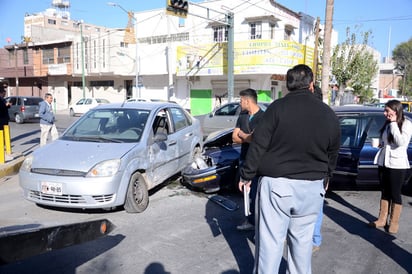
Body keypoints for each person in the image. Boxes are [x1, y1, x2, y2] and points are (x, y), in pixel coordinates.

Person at [239, 64, 341, 273]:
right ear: (312, 85)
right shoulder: (328, 113)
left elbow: (259, 143)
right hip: (312, 187)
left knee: (270, 245)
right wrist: (327, 175)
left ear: (288, 85)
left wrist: (246, 175)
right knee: (302, 246)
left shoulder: (277, 108)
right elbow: (333, 150)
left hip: (277, 186)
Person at [370, 99, 412, 234]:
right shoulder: (388, 124)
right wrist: (381, 145)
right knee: (384, 191)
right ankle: (382, 219)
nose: (384, 113)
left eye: (387, 110)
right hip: (384, 162)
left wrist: (393, 123)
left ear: (395, 111)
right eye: (385, 110)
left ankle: (394, 222)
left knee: (395, 193)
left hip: (397, 165)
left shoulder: (406, 124)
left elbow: (401, 142)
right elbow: (388, 142)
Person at [232, 88, 265, 231]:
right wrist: (249, 137)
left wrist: (244, 136)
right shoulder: (242, 116)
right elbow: (234, 137)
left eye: (241, 101)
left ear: (247, 100)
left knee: (258, 194)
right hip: (244, 159)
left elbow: (258, 140)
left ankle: (260, 226)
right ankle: (250, 220)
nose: (240, 104)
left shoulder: (263, 117)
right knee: (246, 193)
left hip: (258, 162)